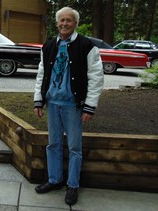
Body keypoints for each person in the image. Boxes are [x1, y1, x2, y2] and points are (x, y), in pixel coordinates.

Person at [33, 7, 104, 205]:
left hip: (73, 105)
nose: (65, 23)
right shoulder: (48, 46)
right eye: (61, 20)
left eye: (69, 20)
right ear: (57, 23)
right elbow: (41, 75)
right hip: (53, 103)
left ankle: (73, 185)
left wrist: (90, 106)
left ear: (75, 24)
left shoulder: (86, 46)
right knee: (53, 143)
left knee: (74, 147)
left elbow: (96, 77)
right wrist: (38, 100)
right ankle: (54, 180)